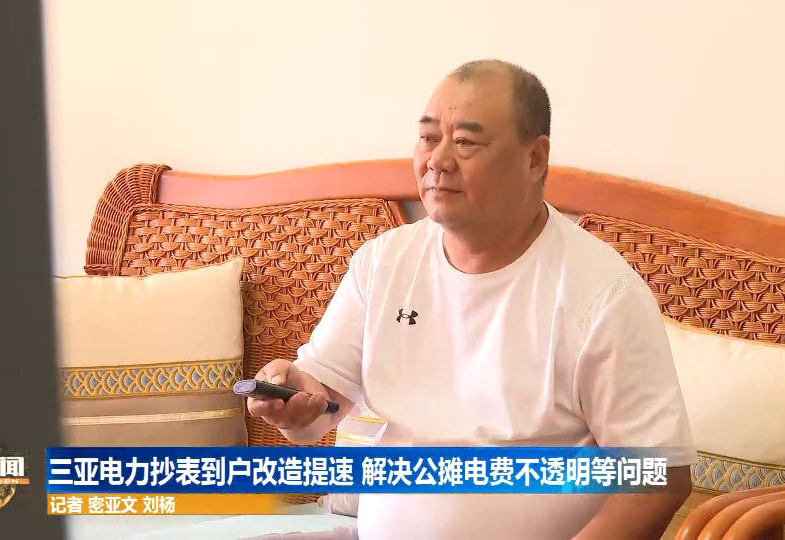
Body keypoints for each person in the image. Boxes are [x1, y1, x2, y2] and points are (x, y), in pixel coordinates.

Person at [247, 59, 696, 540]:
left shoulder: (603, 295)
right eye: (428, 138)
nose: (437, 160)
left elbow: (660, 480)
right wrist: (292, 396)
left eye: (465, 142)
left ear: (534, 158)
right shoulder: (384, 263)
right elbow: (322, 401)